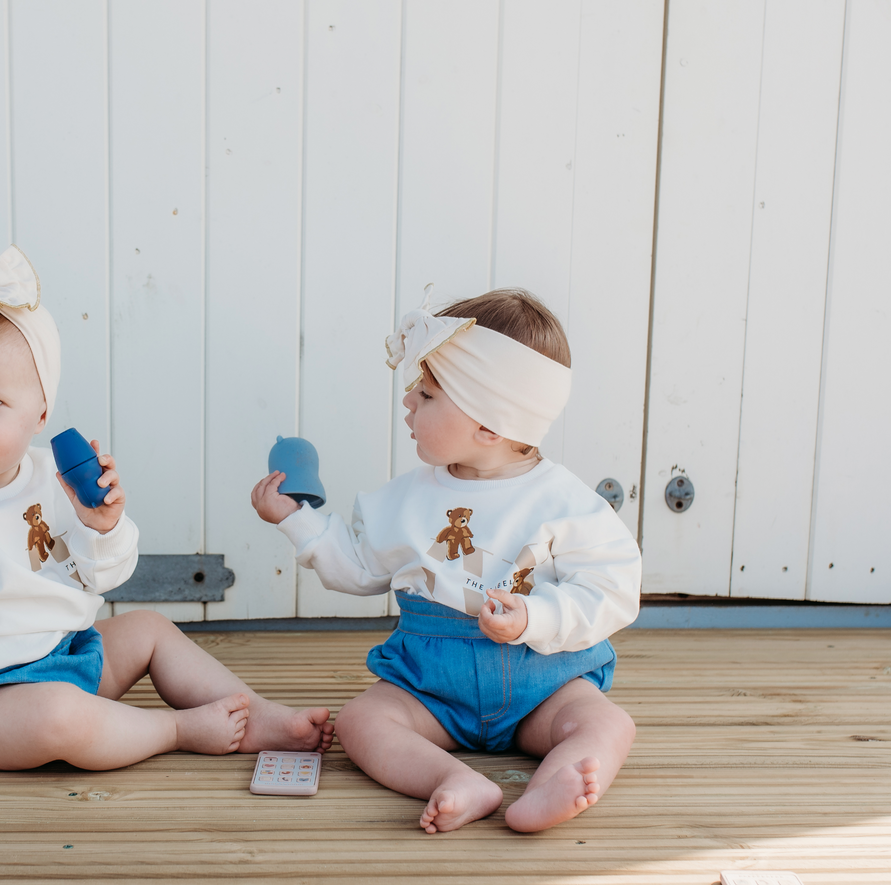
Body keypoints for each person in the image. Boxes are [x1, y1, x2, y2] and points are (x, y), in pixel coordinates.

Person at [0, 246, 332, 770]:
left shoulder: (52, 481)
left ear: (39, 415)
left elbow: (101, 577)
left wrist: (101, 527)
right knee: (57, 716)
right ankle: (173, 729)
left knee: (148, 629)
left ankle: (257, 713)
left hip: (68, 655)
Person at [252, 288, 640, 833]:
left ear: (490, 425)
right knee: (364, 721)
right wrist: (297, 519)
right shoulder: (404, 499)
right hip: (430, 688)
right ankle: (452, 777)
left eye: (428, 395)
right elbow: (359, 567)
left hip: (542, 685)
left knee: (604, 721)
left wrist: (538, 617)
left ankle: (560, 776)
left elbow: (614, 587)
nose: (408, 403)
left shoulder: (566, 503)